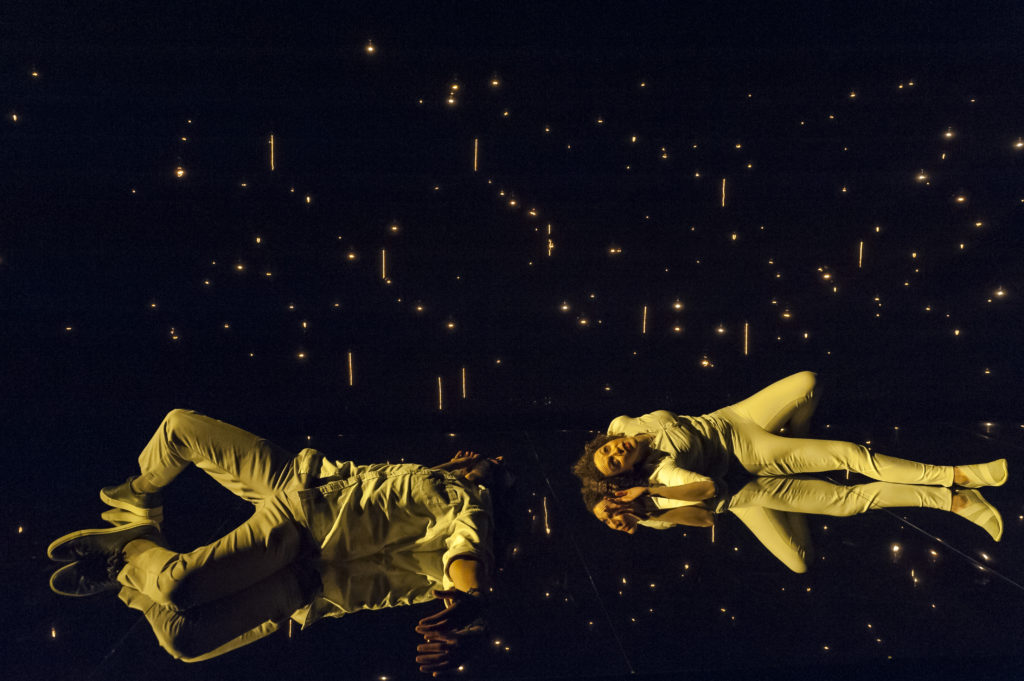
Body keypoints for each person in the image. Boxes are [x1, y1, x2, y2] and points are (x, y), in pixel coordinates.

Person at [46, 409, 504, 674]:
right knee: (179, 430)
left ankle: (130, 559)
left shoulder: (469, 504)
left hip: (307, 564)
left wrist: (473, 607)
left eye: (490, 464)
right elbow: (459, 548)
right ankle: (132, 536)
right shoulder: (439, 481)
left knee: (184, 640)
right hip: (304, 492)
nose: (481, 460)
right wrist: (454, 465)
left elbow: (468, 555)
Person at [573, 372, 1008, 546]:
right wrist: (646, 503)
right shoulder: (656, 490)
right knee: (845, 505)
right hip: (744, 484)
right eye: (614, 463)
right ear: (625, 477)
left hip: (734, 428)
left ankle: (961, 475)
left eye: (607, 452)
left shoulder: (620, 426)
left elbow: (614, 444)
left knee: (840, 441)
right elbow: (706, 514)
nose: (615, 452)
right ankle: (956, 500)